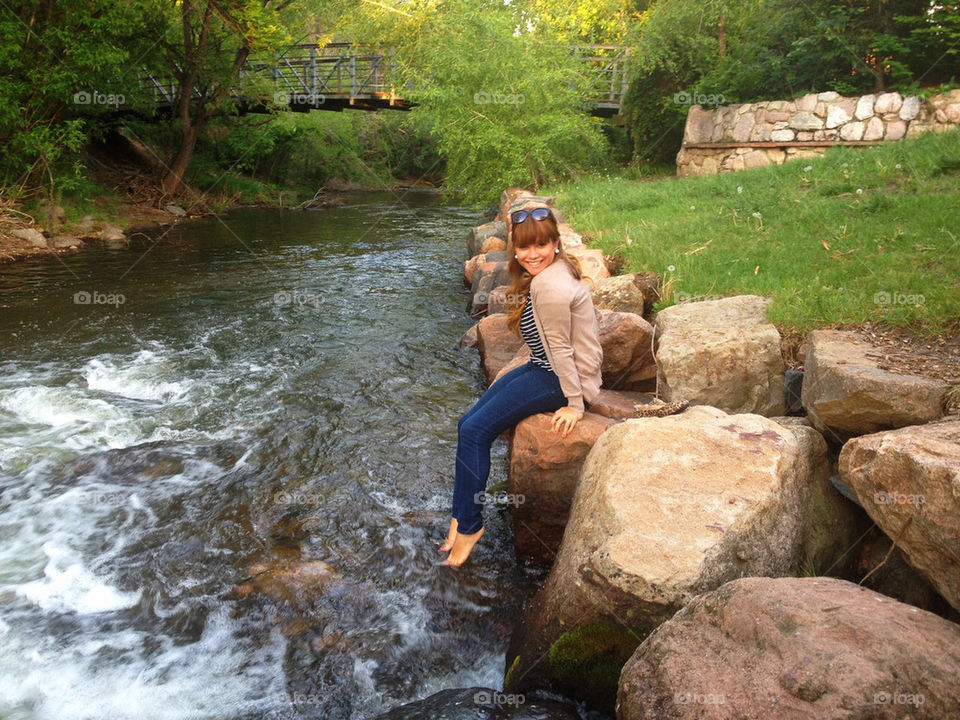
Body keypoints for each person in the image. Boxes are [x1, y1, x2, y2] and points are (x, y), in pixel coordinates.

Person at [439, 202, 603, 566]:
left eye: (540, 245)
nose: (532, 254)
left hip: (559, 379)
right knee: (468, 424)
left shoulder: (550, 285)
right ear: (515, 248)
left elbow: (560, 348)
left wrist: (576, 405)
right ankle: (459, 514)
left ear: (555, 243)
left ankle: (469, 527)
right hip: (543, 367)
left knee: (475, 431)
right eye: (524, 247)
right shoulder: (553, 271)